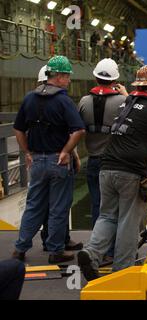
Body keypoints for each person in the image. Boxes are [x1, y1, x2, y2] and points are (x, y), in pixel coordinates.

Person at [77, 65, 147, 280]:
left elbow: (139, 110)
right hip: (131, 172)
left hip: (106, 168)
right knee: (128, 222)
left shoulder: (126, 104)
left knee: (107, 216)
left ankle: (92, 252)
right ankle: (122, 272)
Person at [12, 56, 85, 264]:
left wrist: (27, 152)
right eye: (68, 76)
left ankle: (20, 248)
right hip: (58, 161)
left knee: (34, 205)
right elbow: (78, 129)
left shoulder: (29, 98)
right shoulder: (63, 101)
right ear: (59, 76)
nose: (69, 80)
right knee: (58, 208)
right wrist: (66, 151)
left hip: (36, 161)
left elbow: (18, 129)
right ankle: (55, 251)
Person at [77, 58, 128, 260]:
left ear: (95, 77)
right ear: (115, 80)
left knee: (97, 205)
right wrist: (125, 94)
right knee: (115, 208)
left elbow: (76, 128)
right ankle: (113, 251)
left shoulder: (84, 101)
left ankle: (97, 249)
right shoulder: (122, 102)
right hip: (115, 162)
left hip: (93, 160)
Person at [36, 65, 84, 253]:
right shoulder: (60, 102)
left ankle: (53, 239)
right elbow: (71, 132)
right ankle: (57, 241)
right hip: (59, 159)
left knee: (47, 204)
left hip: (42, 160)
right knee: (60, 204)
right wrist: (73, 155)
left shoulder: (33, 102)